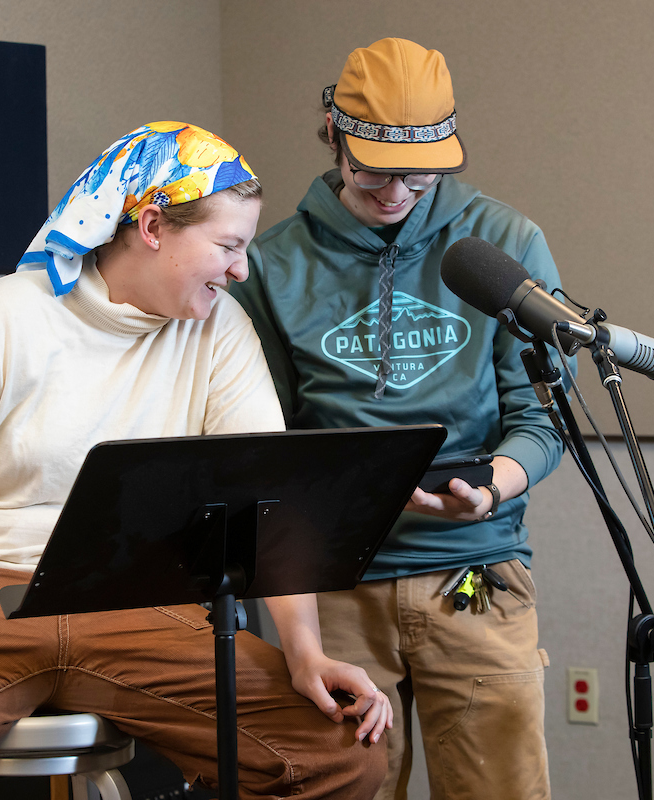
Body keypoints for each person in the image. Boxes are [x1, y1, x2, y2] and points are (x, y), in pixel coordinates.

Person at [0, 122, 391, 799]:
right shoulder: (6, 316)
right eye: (228, 245)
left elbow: (269, 506)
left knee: (341, 753)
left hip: (140, 595)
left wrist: (306, 652)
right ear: (152, 226)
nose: (243, 268)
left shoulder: (222, 331)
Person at [231, 40, 569, 800]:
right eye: (374, 168)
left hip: (477, 572)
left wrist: (491, 486)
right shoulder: (273, 266)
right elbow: (266, 446)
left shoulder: (505, 246)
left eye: (419, 173)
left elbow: (542, 420)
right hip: (333, 587)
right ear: (331, 132)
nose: (395, 191)